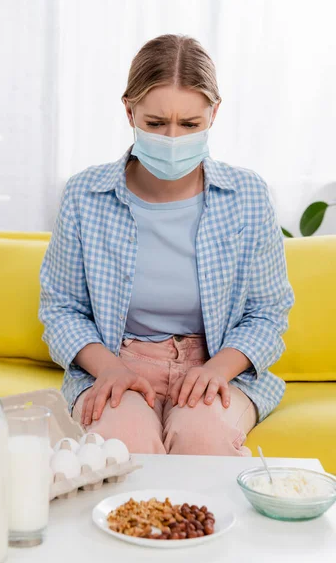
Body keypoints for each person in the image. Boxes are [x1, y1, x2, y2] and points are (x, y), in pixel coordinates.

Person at [39, 34, 294, 456]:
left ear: (214, 114)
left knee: (203, 440)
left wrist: (216, 369)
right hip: (118, 361)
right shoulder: (85, 195)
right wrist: (111, 370)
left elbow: (268, 313)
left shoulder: (248, 195)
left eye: (190, 124)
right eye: (156, 124)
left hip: (215, 366)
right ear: (129, 111)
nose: (172, 139)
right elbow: (61, 307)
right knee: (123, 448)